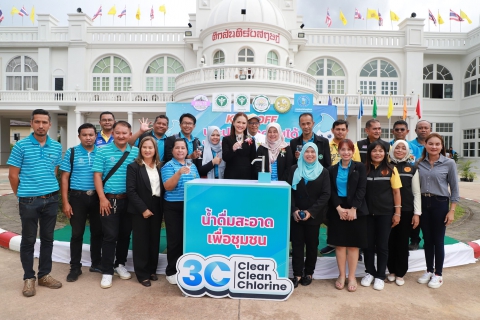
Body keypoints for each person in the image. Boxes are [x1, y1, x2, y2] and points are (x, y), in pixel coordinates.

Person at [7, 109, 63, 297]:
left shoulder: (56, 147)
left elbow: (54, 170)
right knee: (29, 240)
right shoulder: (20, 146)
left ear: (50, 124)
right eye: (37, 122)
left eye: (44, 122)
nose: (41, 125)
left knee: (48, 239)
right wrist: (22, 195)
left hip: (52, 199)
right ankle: (28, 278)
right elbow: (13, 175)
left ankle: (44, 275)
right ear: (31, 123)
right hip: (29, 200)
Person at [92, 121, 139, 289]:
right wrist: (102, 198)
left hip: (129, 201)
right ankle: (107, 271)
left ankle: (120, 264)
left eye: (124, 133)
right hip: (109, 200)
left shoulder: (135, 151)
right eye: (118, 133)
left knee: (125, 234)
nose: (121, 136)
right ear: (113, 133)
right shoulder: (102, 150)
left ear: (129, 134)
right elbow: (97, 176)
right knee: (110, 236)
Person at [60, 123, 103, 282]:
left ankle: (96, 263)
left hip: (98, 198)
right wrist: (65, 202)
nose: (88, 137)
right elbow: (64, 177)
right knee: (77, 233)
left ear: (96, 136)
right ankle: (75, 267)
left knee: (97, 232)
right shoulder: (71, 153)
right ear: (79, 137)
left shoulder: (101, 153)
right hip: (78, 198)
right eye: (84, 135)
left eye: (91, 134)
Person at [417, 133, 459, 289]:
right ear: (426, 145)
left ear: (442, 146)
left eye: (437, 144)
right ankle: (429, 270)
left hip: (440, 203)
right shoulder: (419, 163)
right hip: (423, 203)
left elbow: (454, 188)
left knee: (438, 240)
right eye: (431, 144)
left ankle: (438, 274)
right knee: (427, 240)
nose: (434, 147)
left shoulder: (449, 163)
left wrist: (452, 210)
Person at [287, 142, 330, 288]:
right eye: (307, 151)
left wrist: (311, 212)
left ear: (317, 154)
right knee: (297, 245)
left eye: (313, 152)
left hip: (313, 216)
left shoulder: (323, 171)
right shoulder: (294, 169)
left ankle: (309, 272)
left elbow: (325, 194)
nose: (310, 154)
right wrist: (293, 209)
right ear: (302, 153)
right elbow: (289, 192)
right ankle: (297, 274)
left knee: (312, 245)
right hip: (297, 215)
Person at [327, 139, 368, 292]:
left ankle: (351, 276)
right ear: (338, 151)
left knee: (352, 244)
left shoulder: (360, 167)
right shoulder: (331, 169)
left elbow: (362, 189)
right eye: (343, 149)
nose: (346, 152)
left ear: (353, 151)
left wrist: (353, 209)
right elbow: (330, 190)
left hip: (355, 208)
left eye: (349, 149)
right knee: (340, 244)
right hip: (338, 208)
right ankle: (341, 275)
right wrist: (338, 208)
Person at [361, 141, 402, 291]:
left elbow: (396, 192)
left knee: (383, 245)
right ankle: (369, 272)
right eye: (374, 151)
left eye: (381, 151)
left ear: (385, 153)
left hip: (385, 213)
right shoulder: (363, 169)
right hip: (367, 214)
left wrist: (397, 213)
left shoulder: (391, 170)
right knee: (368, 245)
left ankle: (380, 276)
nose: (377, 153)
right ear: (369, 153)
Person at [161, 138, 200, 285]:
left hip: (190, 207)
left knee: (187, 239)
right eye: (177, 148)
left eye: (183, 148)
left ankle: (185, 268)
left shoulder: (192, 165)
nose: (180, 150)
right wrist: (178, 173)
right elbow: (168, 187)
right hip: (173, 207)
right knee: (174, 240)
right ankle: (171, 271)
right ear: (172, 151)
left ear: (186, 150)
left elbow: (196, 184)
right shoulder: (168, 166)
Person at [126, 136, 163, 287]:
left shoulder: (161, 166)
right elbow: (131, 191)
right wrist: (143, 209)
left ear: (155, 149)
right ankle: (142, 274)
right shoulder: (134, 167)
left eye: (150, 147)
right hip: (140, 207)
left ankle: (152, 270)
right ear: (140, 149)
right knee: (141, 241)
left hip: (157, 205)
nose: (147, 150)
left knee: (154, 240)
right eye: (144, 147)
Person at [387, 140, 421, 286]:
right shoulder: (386, 166)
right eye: (397, 148)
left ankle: (400, 273)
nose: (399, 150)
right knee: (390, 241)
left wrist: (417, 213)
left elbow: (416, 192)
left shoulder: (412, 169)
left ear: (407, 151)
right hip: (388, 211)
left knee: (402, 241)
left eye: (403, 148)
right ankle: (391, 270)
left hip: (406, 210)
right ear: (392, 149)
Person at [408, 120, 431, 250]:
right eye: (420, 128)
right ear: (416, 130)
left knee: (427, 215)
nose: (423, 130)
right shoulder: (409, 145)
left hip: (429, 185)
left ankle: (428, 240)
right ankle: (414, 240)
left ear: (430, 129)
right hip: (412, 185)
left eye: (426, 128)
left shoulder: (433, 145)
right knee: (414, 213)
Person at [222, 112, 257, 180]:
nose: (241, 125)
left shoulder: (251, 139)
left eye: (244, 123)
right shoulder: (226, 139)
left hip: (247, 176)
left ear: (246, 125)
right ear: (233, 123)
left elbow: (253, 160)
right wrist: (233, 149)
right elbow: (225, 158)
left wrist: (254, 178)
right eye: (238, 122)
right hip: (231, 176)